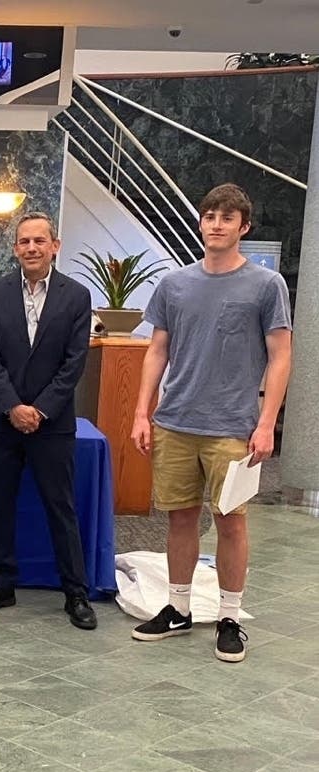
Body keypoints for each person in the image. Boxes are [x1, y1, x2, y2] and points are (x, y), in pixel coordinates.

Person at [130, 183, 292, 662]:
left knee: (231, 522)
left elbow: (281, 356)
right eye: (210, 216)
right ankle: (178, 608)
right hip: (175, 421)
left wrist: (266, 422)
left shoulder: (266, 285)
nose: (217, 224)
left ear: (244, 227)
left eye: (227, 217)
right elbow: (157, 350)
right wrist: (141, 412)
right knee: (180, 517)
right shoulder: (174, 284)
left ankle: (229, 618)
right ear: (201, 223)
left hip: (233, 427)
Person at [0, 211, 97, 630]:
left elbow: (75, 362)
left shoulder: (77, 296)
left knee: (61, 508)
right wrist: (13, 407)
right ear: (15, 248)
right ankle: (0, 585)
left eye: (40, 241)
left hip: (52, 424)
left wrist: (39, 410)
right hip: (0, 420)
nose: (32, 248)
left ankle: (76, 594)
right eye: (24, 241)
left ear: (55, 246)